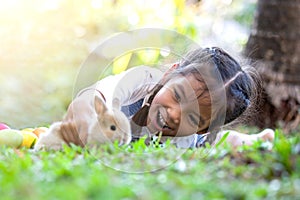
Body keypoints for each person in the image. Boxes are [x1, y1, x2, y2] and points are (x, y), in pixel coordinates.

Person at [60, 47, 274, 149]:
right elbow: (97, 94)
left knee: (218, 142)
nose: (174, 114)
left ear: (202, 127)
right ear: (168, 74)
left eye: (193, 118)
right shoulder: (142, 80)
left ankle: (254, 139)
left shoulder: (187, 141)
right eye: (178, 96)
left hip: (190, 141)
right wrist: (85, 109)